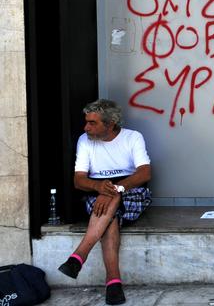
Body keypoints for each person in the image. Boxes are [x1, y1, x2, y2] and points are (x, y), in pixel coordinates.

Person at [57, 99, 151, 305]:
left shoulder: (132, 137)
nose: (86, 127)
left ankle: (79, 256)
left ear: (110, 124)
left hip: (131, 192)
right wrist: (101, 188)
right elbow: (79, 180)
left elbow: (144, 173)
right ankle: (113, 283)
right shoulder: (85, 140)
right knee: (111, 218)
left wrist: (114, 189)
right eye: (86, 122)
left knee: (113, 198)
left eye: (92, 123)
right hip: (98, 196)